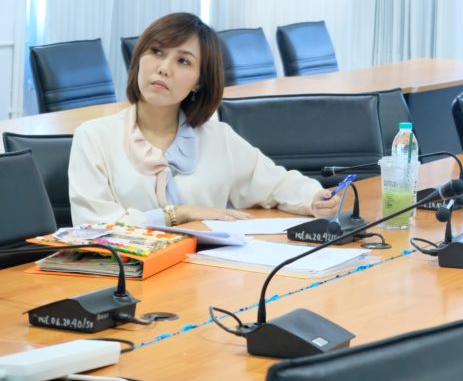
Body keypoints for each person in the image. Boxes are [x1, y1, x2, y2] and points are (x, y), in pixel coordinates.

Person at [69, 12, 342, 226]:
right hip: (131, 274)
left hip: (205, 272)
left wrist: (314, 197)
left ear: (199, 81)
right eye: (156, 52)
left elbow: (276, 184)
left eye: (183, 61)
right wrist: (181, 214)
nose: (163, 68)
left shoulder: (218, 138)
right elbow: (93, 226)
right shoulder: (94, 137)